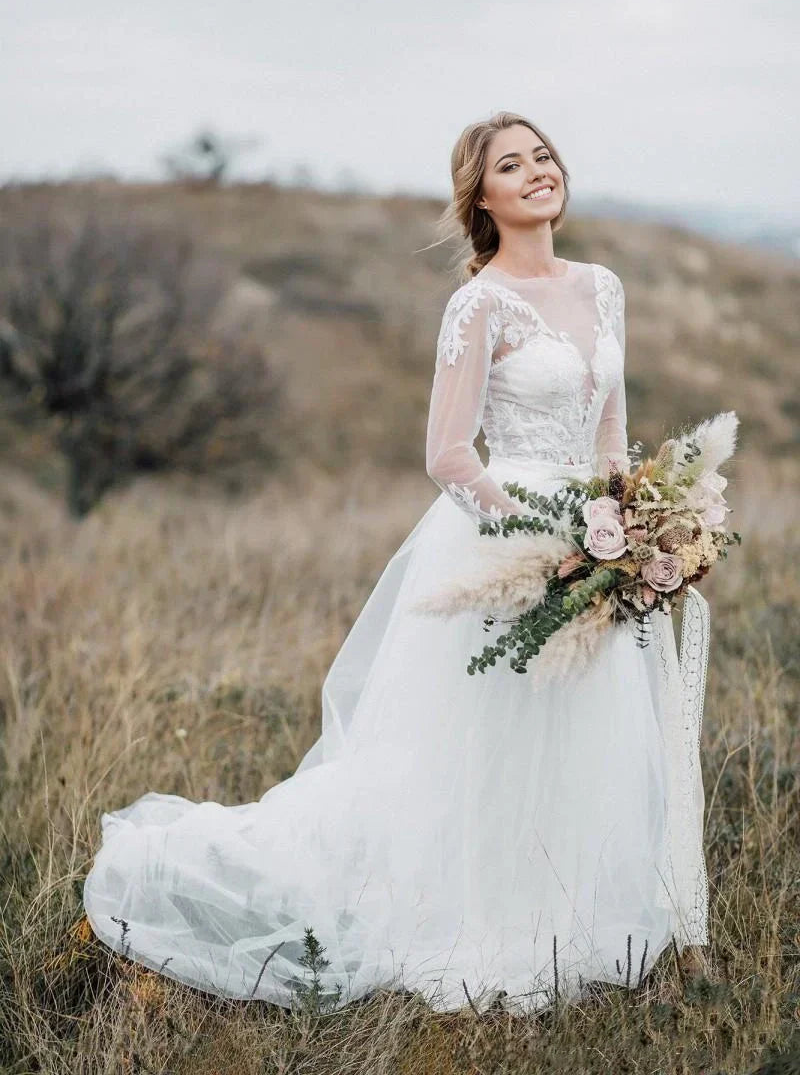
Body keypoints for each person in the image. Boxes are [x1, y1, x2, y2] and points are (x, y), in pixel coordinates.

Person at [83, 112, 710, 1016]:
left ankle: (572, 916)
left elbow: (613, 431)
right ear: (482, 198)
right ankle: (477, 917)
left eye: (543, 157)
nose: (537, 172)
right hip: (508, 546)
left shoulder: (604, 289)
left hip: (600, 547)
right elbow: (449, 455)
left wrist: (639, 524)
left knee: (583, 733)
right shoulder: (479, 303)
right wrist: (542, 541)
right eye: (511, 165)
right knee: (488, 743)